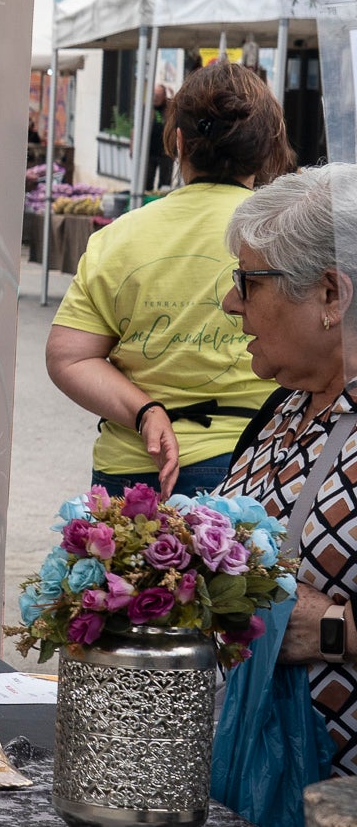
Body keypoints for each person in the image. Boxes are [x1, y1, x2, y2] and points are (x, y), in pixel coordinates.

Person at [48, 62, 293, 497]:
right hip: (257, 459)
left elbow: (69, 358)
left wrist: (145, 411)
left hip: (136, 468)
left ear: (178, 141)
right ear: (267, 148)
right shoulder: (282, 238)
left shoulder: (118, 238)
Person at [212, 164, 357, 774]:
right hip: (252, 774)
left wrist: (334, 630)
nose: (231, 303)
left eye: (249, 282)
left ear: (330, 295)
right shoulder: (286, 405)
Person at [146, 83, 175, 194]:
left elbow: (176, 108)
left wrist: (172, 96)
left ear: (164, 96)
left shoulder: (169, 109)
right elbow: (136, 127)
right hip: (149, 151)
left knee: (164, 183)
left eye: (158, 96)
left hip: (165, 152)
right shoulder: (148, 108)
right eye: (154, 95)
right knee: (147, 180)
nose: (155, 98)